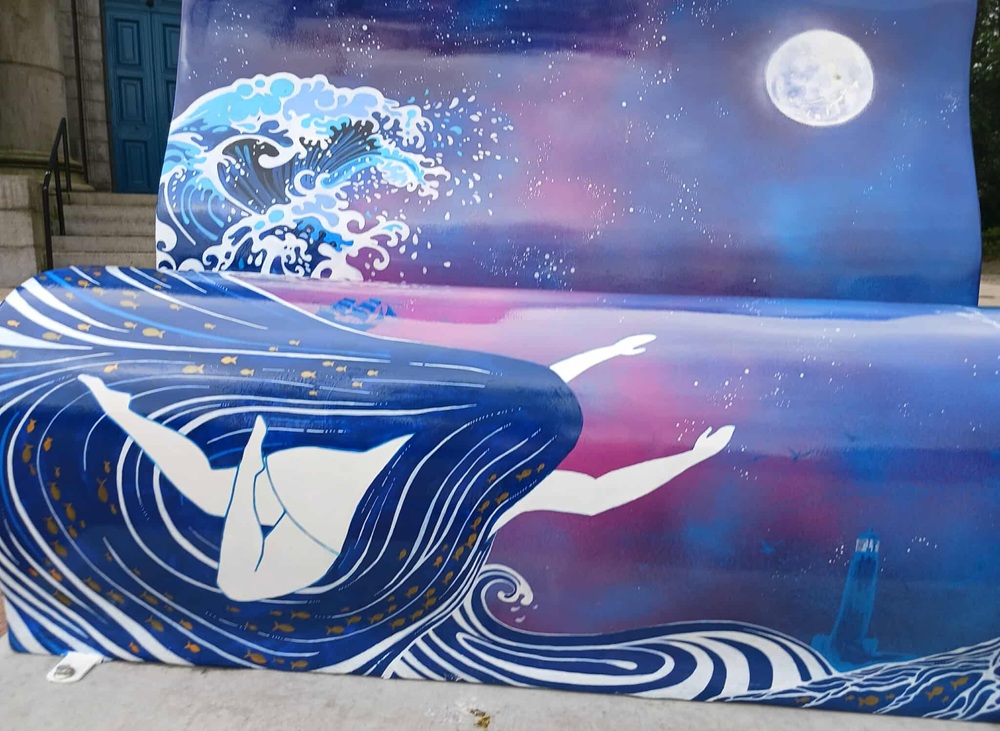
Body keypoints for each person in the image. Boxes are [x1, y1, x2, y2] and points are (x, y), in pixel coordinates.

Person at [78, 334, 733, 602]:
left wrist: (692, 456)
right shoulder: (481, 456)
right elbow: (571, 451)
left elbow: (590, 487)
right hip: (297, 489)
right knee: (212, 494)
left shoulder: (485, 479)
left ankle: (126, 413)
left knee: (233, 551)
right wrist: (607, 352)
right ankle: (119, 409)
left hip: (301, 502)